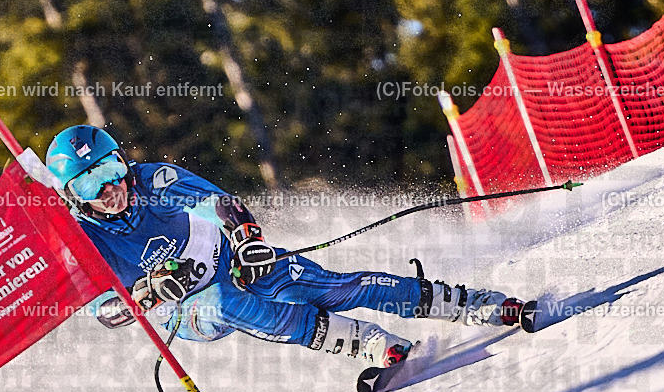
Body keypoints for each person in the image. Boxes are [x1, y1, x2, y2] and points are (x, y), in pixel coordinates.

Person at [37, 125, 523, 369]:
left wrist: (246, 238)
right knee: (225, 302)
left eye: (110, 169)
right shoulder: (84, 239)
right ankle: (366, 342)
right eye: (89, 184)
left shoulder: (151, 181)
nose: (110, 188)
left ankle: (475, 304)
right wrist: (150, 292)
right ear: (71, 196)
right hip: (188, 310)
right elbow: (107, 312)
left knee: (333, 287)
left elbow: (217, 203)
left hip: (229, 261)